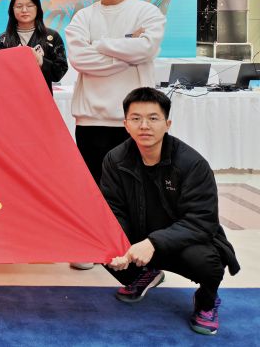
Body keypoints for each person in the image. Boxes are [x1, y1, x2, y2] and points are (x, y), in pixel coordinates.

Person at [101, 87, 239, 336]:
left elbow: (201, 221)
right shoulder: (115, 159)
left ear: (167, 124)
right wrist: (117, 245)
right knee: (103, 247)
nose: (144, 125)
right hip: (141, 235)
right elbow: (113, 209)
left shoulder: (192, 164)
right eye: (136, 118)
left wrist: (153, 243)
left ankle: (206, 302)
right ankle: (144, 275)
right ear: (126, 125)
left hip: (182, 241)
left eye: (153, 118)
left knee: (208, 263)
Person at [65, 0, 165, 186]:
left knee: (137, 188)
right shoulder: (83, 17)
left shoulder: (147, 12)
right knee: (95, 189)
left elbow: (147, 48)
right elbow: (79, 59)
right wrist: (129, 52)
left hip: (136, 120)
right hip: (91, 122)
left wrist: (99, 44)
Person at [0, 0, 68, 93]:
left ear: (37, 8)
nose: (24, 10)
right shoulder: (3, 39)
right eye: (19, 6)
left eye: (29, 5)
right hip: (11, 98)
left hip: (41, 98)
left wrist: (41, 61)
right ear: (12, 10)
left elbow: (59, 72)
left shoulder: (52, 37)